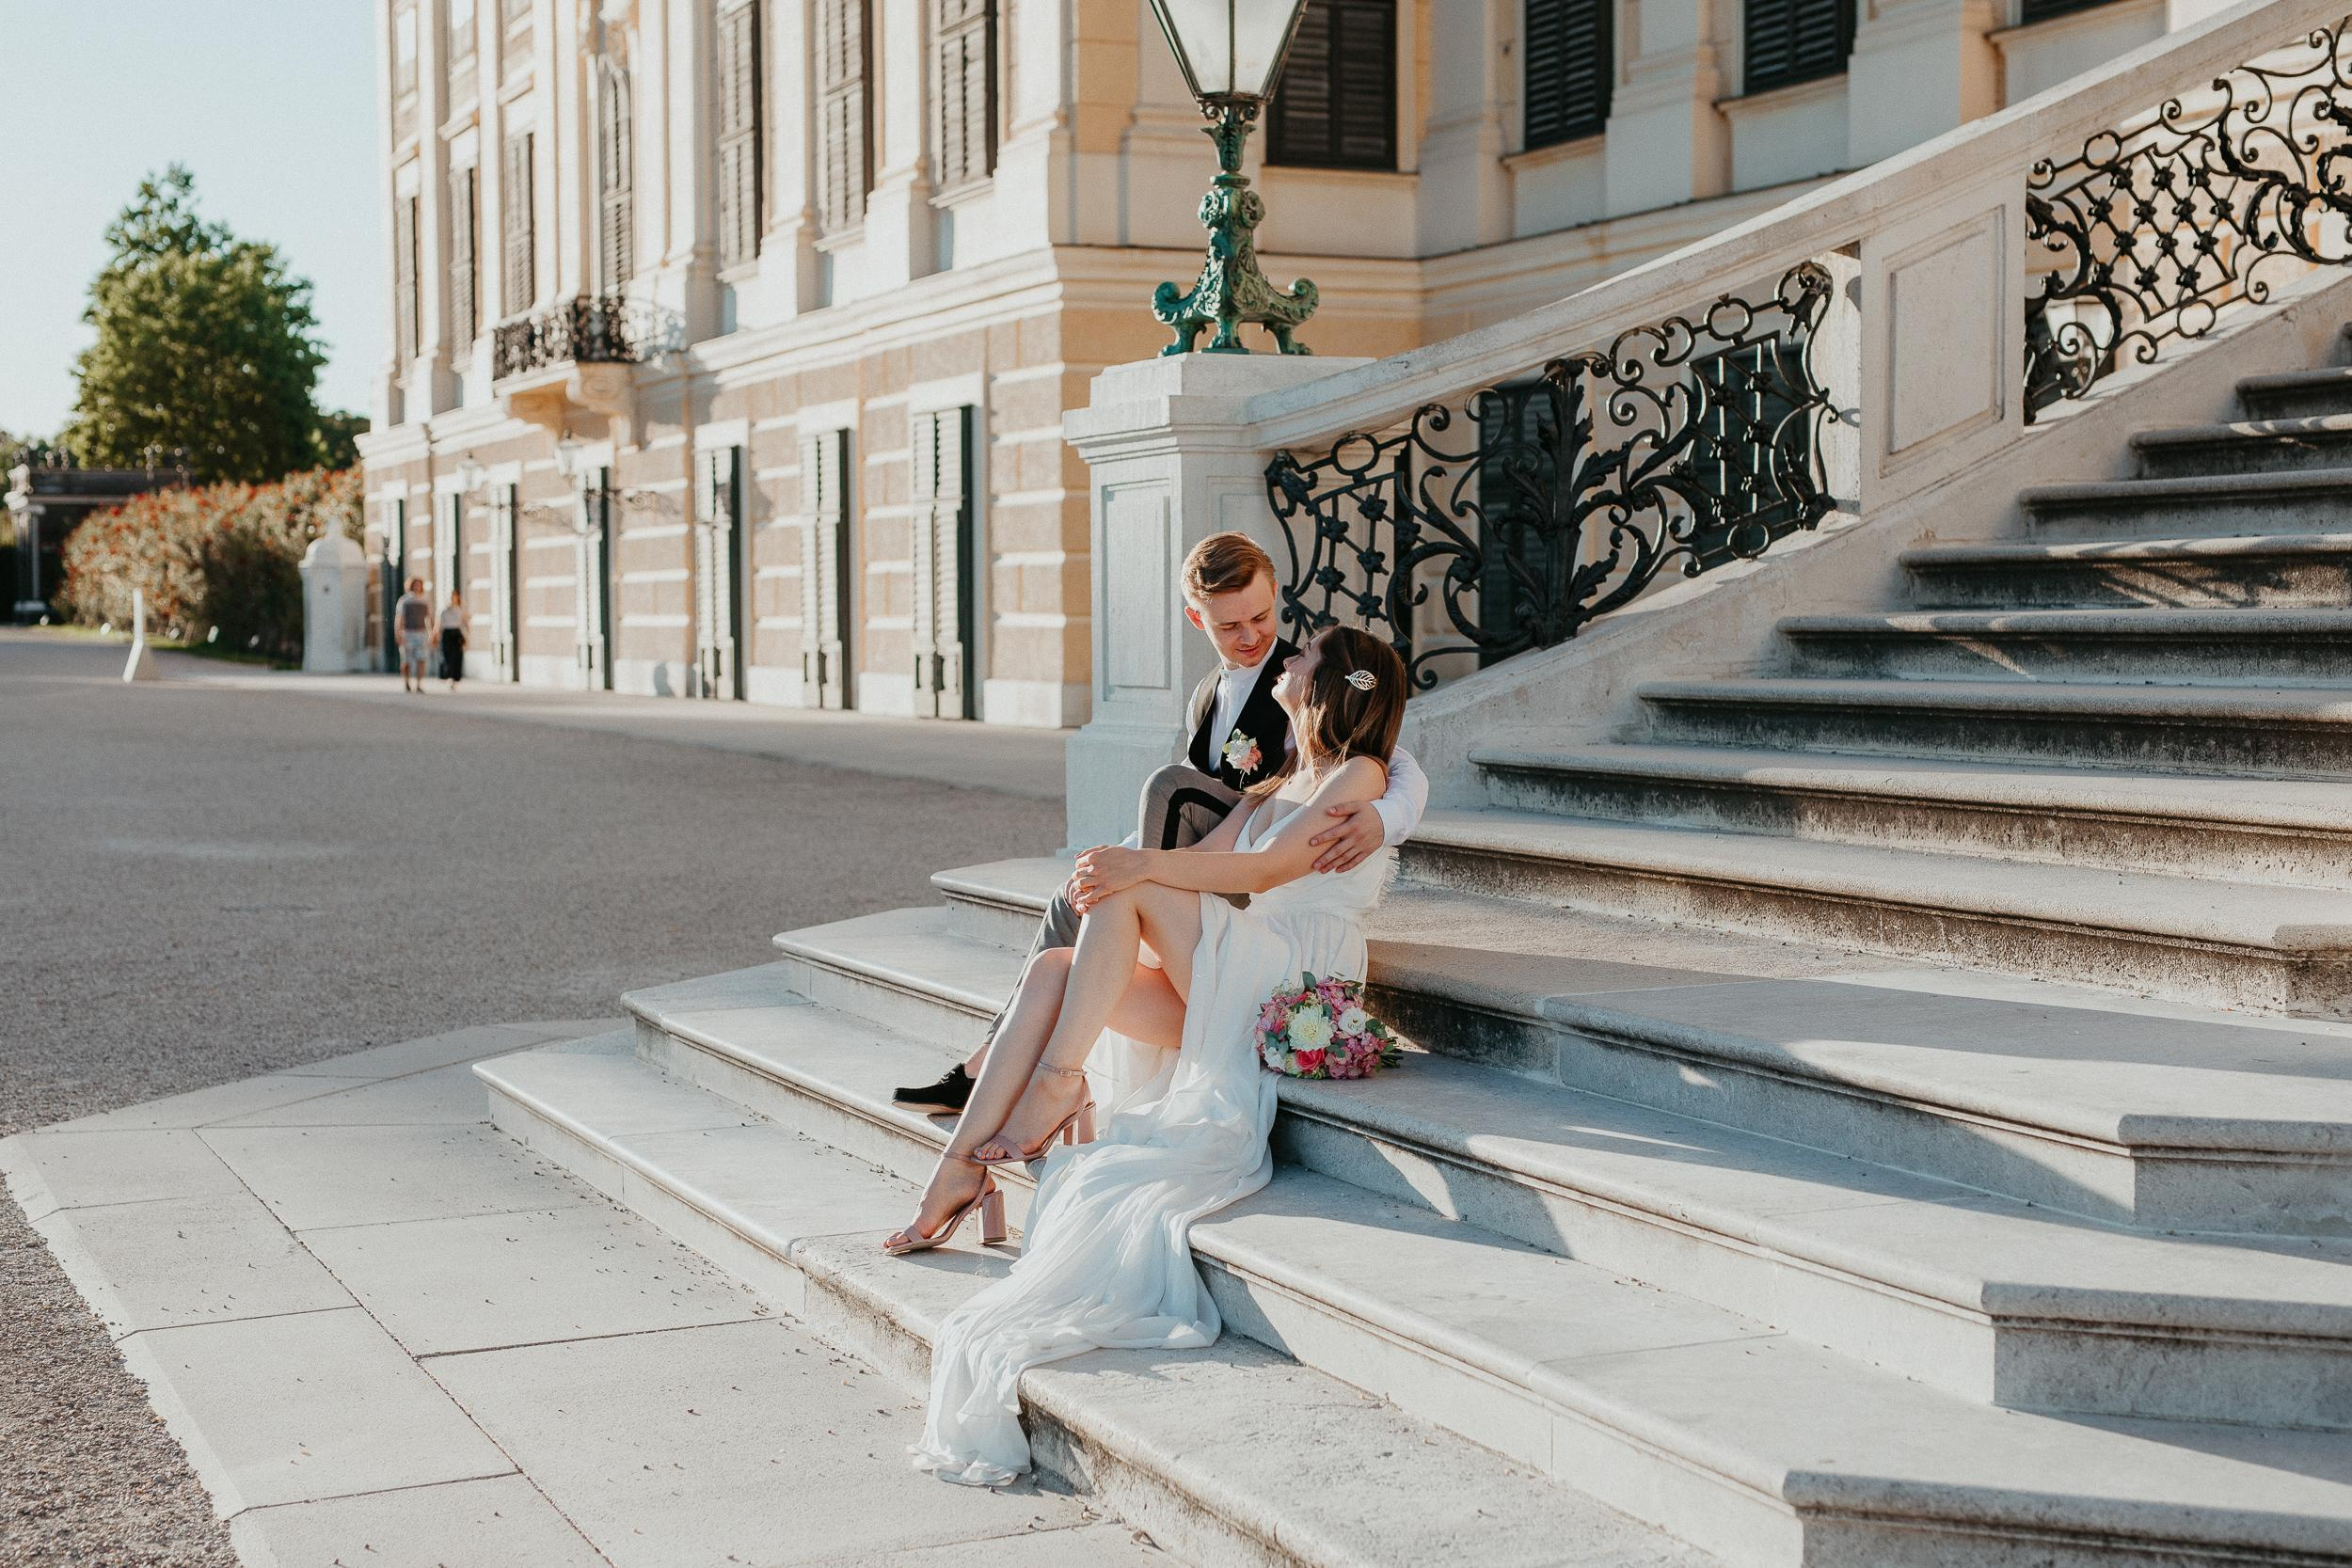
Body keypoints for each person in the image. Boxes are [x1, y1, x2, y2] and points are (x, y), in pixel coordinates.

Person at [889, 624, 1409, 1488]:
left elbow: (1275, 868)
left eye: (1301, 658)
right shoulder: (1278, 780)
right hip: (1232, 966)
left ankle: (1056, 1084)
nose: (1283, 661)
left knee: (1134, 887)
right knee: (1060, 963)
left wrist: (1131, 867)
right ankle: (956, 1169)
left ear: (1331, 688)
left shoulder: (1360, 773)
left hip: (1289, 967)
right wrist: (1122, 867)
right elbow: (1202, 862)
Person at [892, 531, 1427, 1114]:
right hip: (1228, 842)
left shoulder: (1311, 677)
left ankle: (1050, 1039)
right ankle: (995, 1056)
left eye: (1261, 616)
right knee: (1074, 897)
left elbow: (1382, 757)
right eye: (1229, 626)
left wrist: (1388, 814)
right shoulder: (1208, 695)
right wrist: (1115, 860)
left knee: (1164, 791)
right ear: (1199, 621)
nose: (1251, 637)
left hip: (1258, 883)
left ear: (1276, 594)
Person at [394, 578, 431, 693]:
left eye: (419, 585)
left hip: (421, 633)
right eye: (415, 585)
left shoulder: (425, 601)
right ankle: (407, 682)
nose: (417, 587)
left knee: (422, 659)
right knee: (406, 660)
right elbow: (399, 618)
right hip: (407, 633)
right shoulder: (404, 601)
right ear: (410, 586)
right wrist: (398, 633)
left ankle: (419, 684)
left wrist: (432, 634)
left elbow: (430, 618)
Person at [438, 593, 469, 690]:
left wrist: (466, 638)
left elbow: (465, 623)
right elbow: (439, 624)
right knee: (447, 656)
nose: (452, 599)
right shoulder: (444, 611)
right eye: (451, 598)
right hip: (446, 633)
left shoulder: (460, 610)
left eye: (454, 597)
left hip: (457, 634)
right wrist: (435, 636)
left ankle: (454, 679)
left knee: (457, 657)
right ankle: (448, 677)